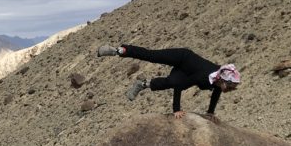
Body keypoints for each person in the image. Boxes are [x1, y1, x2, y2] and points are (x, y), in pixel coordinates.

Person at [97, 44, 240, 120]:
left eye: (232, 87)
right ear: (222, 79)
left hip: (187, 71)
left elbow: (216, 94)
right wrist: (176, 109)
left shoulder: (216, 81)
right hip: (182, 57)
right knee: (152, 56)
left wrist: (210, 113)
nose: (229, 89)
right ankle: (119, 50)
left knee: (171, 81)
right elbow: (180, 87)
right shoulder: (204, 77)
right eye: (229, 86)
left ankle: (142, 84)